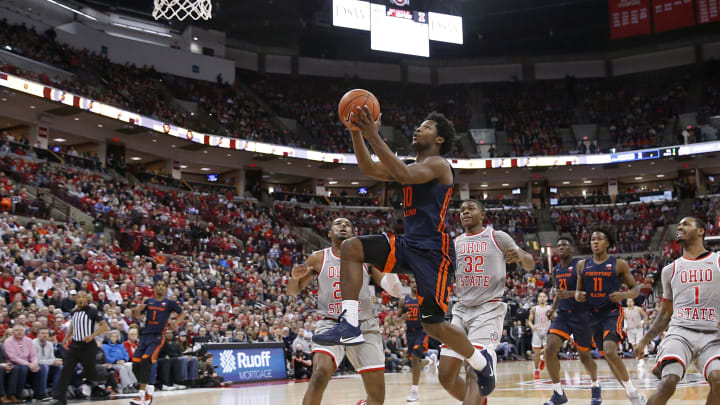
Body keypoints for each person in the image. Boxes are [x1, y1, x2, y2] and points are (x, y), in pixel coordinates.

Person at [313, 108, 497, 396]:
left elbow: (403, 174)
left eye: (424, 127)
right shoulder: (413, 162)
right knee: (351, 248)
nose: (417, 129)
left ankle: (479, 361)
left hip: (434, 252)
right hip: (408, 243)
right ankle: (349, 323)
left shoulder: (439, 165)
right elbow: (369, 168)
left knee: (434, 326)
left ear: (438, 139)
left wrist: (374, 134)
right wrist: (356, 133)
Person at [288, 217, 401, 405]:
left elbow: (388, 285)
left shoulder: (366, 258)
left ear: (353, 234)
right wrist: (293, 278)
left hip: (364, 325)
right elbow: (293, 291)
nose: (343, 226)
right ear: (329, 233)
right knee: (319, 374)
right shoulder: (317, 257)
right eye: (338, 224)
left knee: (377, 396)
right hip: (331, 323)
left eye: (348, 224)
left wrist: (392, 272)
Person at [438, 199, 535, 404]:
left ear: (482, 215)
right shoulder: (456, 242)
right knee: (445, 375)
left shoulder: (497, 236)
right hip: (461, 310)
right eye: (462, 210)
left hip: (488, 309)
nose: (464, 212)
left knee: (475, 371)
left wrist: (519, 255)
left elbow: (529, 263)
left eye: (470, 208)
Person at [635, 217, 720, 405]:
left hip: (714, 335)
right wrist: (644, 341)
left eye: (686, 224)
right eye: (679, 225)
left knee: (718, 379)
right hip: (680, 333)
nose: (680, 227)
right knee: (669, 381)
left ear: (701, 231)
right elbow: (666, 313)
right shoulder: (669, 270)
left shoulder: (718, 261)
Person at [575, 227, 645, 405]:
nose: (595, 242)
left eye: (599, 239)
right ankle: (631, 392)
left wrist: (623, 296)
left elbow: (635, 289)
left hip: (611, 313)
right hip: (591, 316)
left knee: (610, 350)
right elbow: (578, 291)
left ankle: (633, 394)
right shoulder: (582, 265)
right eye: (592, 239)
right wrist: (578, 295)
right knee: (607, 356)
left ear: (608, 243)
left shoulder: (619, 264)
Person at [543, 237, 600, 405]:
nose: (560, 247)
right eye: (558, 245)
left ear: (572, 249)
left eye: (564, 245)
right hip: (563, 315)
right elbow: (559, 292)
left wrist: (570, 294)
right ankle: (558, 393)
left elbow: (591, 291)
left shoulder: (581, 265)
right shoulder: (556, 269)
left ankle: (595, 385)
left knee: (585, 357)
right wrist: (553, 308)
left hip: (582, 315)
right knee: (550, 348)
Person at [129, 280, 185, 405]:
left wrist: (176, 323)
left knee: (145, 361)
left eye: (163, 285)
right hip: (144, 336)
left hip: (157, 337)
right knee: (135, 365)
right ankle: (148, 387)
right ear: (154, 288)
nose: (160, 287)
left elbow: (182, 313)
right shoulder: (148, 301)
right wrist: (138, 310)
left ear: (166, 289)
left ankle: (141, 395)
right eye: (158, 285)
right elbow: (137, 316)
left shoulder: (170, 303)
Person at [49, 291, 109, 405]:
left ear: (87, 299)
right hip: (74, 346)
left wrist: (92, 336)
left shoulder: (92, 311)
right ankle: (59, 399)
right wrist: (68, 336)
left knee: (90, 373)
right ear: (76, 299)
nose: (81, 299)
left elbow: (104, 325)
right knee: (66, 370)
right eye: (78, 297)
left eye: (83, 297)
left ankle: (105, 374)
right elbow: (73, 324)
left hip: (88, 346)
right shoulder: (73, 312)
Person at [398, 280, 431, 402]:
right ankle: (428, 361)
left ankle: (414, 391)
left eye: (417, 281)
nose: (415, 284)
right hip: (410, 333)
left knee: (415, 357)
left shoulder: (424, 298)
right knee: (413, 362)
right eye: (412, 282)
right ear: (409, 284)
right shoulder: (403, 300)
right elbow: (396, 320)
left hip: (422, 331)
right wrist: (402, 318)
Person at [3, 324, 49, 401]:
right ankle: (18, 393)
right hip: (14, 364)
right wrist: (29, 364)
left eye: (21, 330)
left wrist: (35, 363)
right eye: (16, 330)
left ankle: (40, 393)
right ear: (13, 332)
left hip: (29, 363)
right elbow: (13, 357)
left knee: (43, 367)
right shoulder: (8, 342)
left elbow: (33, 355)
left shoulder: (29, 340)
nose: (19, 332)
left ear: (24, 332)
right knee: (23, 368)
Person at [33, 328, 63, 397]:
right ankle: (42, 393)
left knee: (60, 367)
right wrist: (53, 361)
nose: (45, 335)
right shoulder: (33, 343)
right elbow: (37, 360)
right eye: (43, 333)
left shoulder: (49, 344)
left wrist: (57, 360)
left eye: (46, 333)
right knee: (44, 366)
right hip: (35, 368)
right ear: (38, 335)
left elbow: (52, 358)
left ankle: (55, 392)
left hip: (47, 367)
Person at [528, 292, 551, 379]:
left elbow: (554, 318)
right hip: (537, 331)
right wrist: (532, 326)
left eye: (544, 296)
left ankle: (543, 359)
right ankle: (536, 370)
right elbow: (529, 321)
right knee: (536, 353)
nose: (542, 298)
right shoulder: (534, 309)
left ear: (546, 298)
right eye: (540, 296)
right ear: (538, 299)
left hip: (547, 331)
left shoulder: (550, 308)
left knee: (547, 349)